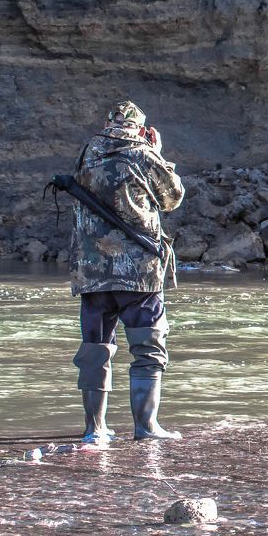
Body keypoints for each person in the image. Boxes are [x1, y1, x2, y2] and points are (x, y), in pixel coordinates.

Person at [69, 100, 185, 442]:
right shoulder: (143, 154)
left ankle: (95, 430)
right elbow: (172, 197)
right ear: (141, 127)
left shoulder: (88, 153)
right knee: (148, 348)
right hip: (139, 274)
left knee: (94, 349)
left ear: (109, 124)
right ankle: (146, 427)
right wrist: (158, 151)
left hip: (92, 274)